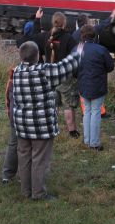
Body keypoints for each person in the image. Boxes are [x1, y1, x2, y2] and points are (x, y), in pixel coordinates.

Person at [12, 40, 80, 200]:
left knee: (24, 158)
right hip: (41, 127)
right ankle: (39, 193)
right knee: (39, 160)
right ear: (38, 56)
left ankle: (26, 190)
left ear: (21, 57)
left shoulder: (17, 71)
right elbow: (67, 65)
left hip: (22, 125)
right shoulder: (44, 72)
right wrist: (79, 49)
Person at [33, 8, 80, 138]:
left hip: (48, 76)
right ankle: (72, 131)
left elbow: (33, 38)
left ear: (53, 22)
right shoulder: (69, 39)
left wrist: (37, 20)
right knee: (68, 105)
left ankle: (50, 127)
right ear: (64, 23)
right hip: (65, 77)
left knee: (51, 104)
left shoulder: (45, 37)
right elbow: (75, 58)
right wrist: (76, 75)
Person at [76, 24, 115, 150]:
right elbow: (110, 67)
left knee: (87, 111)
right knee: (95, 112)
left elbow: (72, 68)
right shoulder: (101, 49)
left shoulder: (78, 49)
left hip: (82, 85)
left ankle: (87, 140)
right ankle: (94, 143)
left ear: (82, 35)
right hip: (97, 86)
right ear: (95, 35)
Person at [1, 67, 17, 183]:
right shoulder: (38, 73)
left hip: (15, 117)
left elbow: (8, 98)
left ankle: (7, 175)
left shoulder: (14, 74)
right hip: (29, 120)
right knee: (28, 148)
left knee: (13, 144)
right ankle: (26, 177)